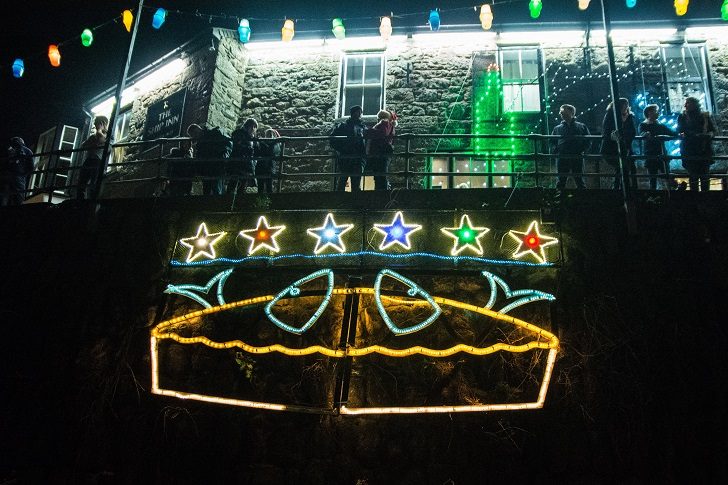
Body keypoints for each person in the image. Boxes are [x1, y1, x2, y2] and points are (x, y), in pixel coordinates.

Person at [677, 96, 716, 192]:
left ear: (694, 104)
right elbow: (680, 130)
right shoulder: (683, 116)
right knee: (694, 176)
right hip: (690, 149)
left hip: (702, 149)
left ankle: (703, 198)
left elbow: (712, 130)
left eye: (688, 103)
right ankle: (697, 199)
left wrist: (708, 135)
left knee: (704, 176)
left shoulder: (704, 116)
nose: (685, 105)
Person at [550, 104, 591, 190]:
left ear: (571, 112)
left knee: (576, 179)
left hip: (573, 155)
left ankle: (560, 199)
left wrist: (583, 150)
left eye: (563, 111)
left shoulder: (558, 128)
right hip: (566, 155)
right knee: (565, 180)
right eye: (561, 112)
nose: (561, 113)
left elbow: (588, 140)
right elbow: (552, 142)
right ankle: (582, 199)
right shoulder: (581, 126)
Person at [600, 98, 637, 190]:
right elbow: (606, 130)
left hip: (625, 147)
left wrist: (625, 137)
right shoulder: (610, 115)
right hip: (611, 148)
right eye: (623, 105)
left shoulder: (629, 116)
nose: (625, 107)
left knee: (629, 168)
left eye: (626, 105)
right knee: (621, 166)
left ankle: (628, 188)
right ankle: (620, 187)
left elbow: (632, 131)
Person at [639, 104, 677, 191]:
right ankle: (663, 193)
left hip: (658, 153)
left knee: (666, 176)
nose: (658, 113)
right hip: (652, 154)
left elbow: (671, 133)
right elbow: (642, 133)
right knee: (654, 178)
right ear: (649, 112)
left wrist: (679, 134)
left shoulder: (659, 125)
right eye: (656, 111)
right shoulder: (644, 125)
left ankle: (668, 192)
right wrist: (645, 134)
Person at [187, 123, 232, 195]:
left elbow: (227, 145)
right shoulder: (201, 141)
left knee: (216, 189)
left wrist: (223, 158)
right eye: (193, 136)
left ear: (198, 129)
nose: (195, 136)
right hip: (209, 169)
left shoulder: (214, 133)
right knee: (208, 190)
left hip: (217, 166)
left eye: (195, 134)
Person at [330, 105, 367, 192]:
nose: (359, 114)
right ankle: (340, 201)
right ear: (353, 113)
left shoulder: (362, 127)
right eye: (358, 112)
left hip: (357, 158)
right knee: (343, 180)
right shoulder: (343, 126)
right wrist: (342, 149)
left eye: (360, 112)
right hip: (346, 157)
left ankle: (354, 202)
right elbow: (332, 139)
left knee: (356, 182)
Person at [76, 115, 108, 200]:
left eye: (96, 123)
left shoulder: (108, 136)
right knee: (81, 182)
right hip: (89, 160)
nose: (95, 125)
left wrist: (100, 130)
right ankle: (80, 200)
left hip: (98, 161)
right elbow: (83, 146)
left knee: (94, 183)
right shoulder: (93, 136)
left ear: (102, 124)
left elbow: (101, 140)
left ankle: (91, 200)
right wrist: (93, 144)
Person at [366, 110, 397, 191]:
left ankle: (380, 192)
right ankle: (382, 191)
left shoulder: (384, 123)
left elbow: (382, 133)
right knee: (382, 173)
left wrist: (369, 131)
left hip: (379, 151)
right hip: (385, 151)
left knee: (379, 173)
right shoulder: (391, 126)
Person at [1, 137, 35, 206]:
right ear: (22, 142)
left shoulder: (8, 150)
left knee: (4, 194)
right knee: (19, 196)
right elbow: (31, 167)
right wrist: (25, 174)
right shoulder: (28, 151)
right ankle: (17, 212)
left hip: (6, 175)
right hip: (19, 175)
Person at [229, 118, 258, 195]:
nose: (253, 129)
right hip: (238, 165)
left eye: (254, 127)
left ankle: (237, 205)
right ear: (247, 126)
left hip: (245, 166)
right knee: (233, 186)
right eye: (252, 127)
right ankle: (228, 204)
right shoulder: (239, 134)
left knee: (241, 188)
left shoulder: (251, 138)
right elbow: (238, 148)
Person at [256, 128, 282, 194]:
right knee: (262, 186)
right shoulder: (275, 144)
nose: (268, 136)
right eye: (268, 134)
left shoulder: (274, 144)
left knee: (267, 186)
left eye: (270, 134)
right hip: (264, 167)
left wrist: (260, 142)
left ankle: (266, 201)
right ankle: (262, 201)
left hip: (267, 167)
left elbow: (270, 152)